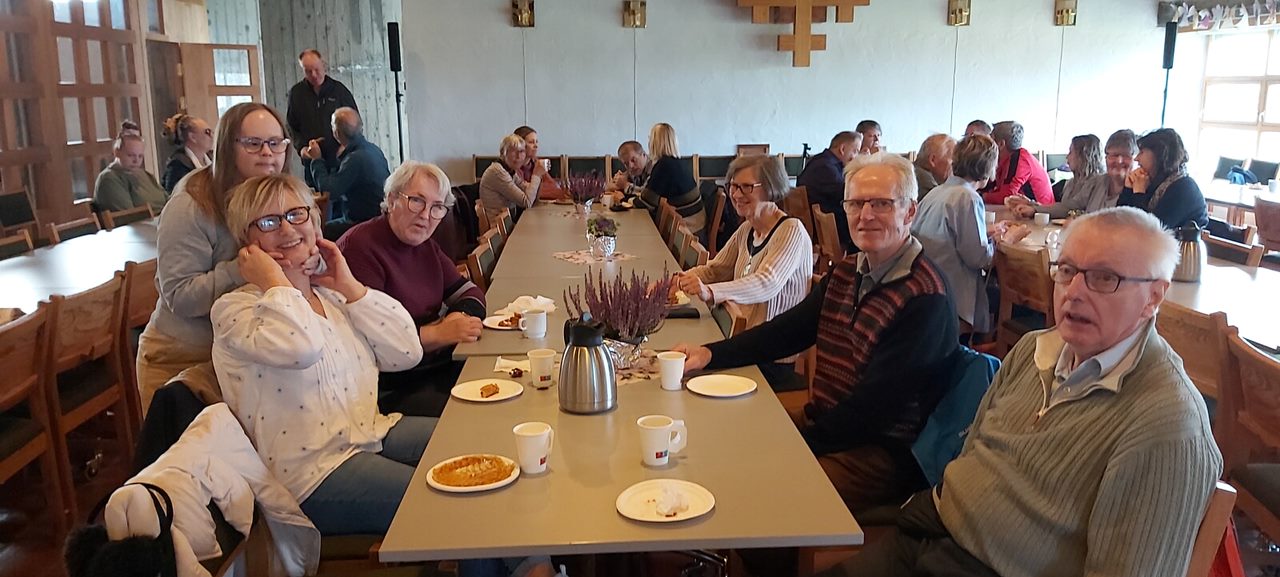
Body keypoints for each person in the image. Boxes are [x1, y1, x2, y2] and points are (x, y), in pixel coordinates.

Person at [822, 207, 1221, 577]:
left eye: (1103, 278)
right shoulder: (1034, 349)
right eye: (1066, 271)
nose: (1074, 292)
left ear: (1154, 296)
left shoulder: (1167, 424)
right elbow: (974, 450)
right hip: (930, 532)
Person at [673, 153, 959, 515]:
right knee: (723, 439)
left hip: (883, 455)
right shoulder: (847, 273)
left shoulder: (924, 297)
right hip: (828, 425)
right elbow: (787, 332)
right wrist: (710, 354)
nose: (865, 215)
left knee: (759, 484)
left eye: (882, 204)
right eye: (856, 203)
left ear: (910, 212)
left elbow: (874, 413)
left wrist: (794, 442)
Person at [213, 173, 430, 537]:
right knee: (448, 497)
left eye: (297, 214)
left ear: (315, 222)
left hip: (370, 434)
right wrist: (276, 282)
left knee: (473, 446)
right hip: (311, 476)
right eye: (268, 222)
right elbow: (302, 346)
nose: (287, 229)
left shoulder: (331, 296)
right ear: (246, 243)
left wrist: (349, 286)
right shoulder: (235, 311)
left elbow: (407, 351)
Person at [136, 102, 298, 414]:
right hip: (182, 359)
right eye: (253, 144)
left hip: (245, 355)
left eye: (276, 143)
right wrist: (243, 269)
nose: (268, 153)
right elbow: (179, 297)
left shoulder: (275, 195)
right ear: (227, 147)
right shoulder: (191, 204)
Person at [338, 161, 486, 417]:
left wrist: (458, 317)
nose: (426, 216)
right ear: (392, 199)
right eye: (416, 201)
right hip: (391, 387)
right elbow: (372, 346)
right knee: (477, 416)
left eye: (437, 207)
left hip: (433, 366)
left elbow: (471, 293)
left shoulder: (424, 245)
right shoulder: (359, 248)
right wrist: (436, 334)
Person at [672, 154, 813, 391]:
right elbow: (716, 269)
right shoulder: (748, 228)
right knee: (680, 360)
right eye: (733, 186)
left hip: (773, 357)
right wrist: (677, 281)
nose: (736, 195)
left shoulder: (791, 231)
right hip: (743, 342)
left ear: (771, 188)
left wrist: (710, 292)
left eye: (746, 187)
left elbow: (766, 283)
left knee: (689, 376)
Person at [912, 135, 1030, 335]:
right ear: (989, 166)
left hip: (926, 288)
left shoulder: (937, 192)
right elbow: (979, 259)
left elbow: (949, 237)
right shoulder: (968, 197)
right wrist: (1008, 239)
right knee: (1013, 298)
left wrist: (988, 232)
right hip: (953, 298)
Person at [301, 107, 390, 240]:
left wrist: (316, 159)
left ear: (336, 133)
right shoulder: (373, 149)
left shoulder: (355, 159)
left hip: (365, 222)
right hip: (380, 217)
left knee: (319, 230)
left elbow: (329, 190)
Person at [286, 49, 358, 190]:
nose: (313, 75)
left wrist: (346, 145)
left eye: (316, 69)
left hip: (339, 158)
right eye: (308, 71)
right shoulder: (296, 93)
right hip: (312, 160)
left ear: (323, 65)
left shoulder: (339, 91)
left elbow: (355, 122)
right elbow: (291, 126)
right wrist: (301, 148)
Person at [1118, 128, 1208, 230]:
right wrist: (1128, 188)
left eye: (1141, 152)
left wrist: (1139, 193)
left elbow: (1149, 234)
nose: (1136, 158)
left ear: (1159, 155)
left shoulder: (1184, 188)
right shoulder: (1152, 181)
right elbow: (1118, 221)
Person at [1009, 134, 1111, 219]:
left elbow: (1068, 209)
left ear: (1083, 156)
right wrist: (1031, 204)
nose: (1067, 157)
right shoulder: (1071, 183)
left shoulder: (1096, 182)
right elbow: (1062, 208)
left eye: (1071, 152)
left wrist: (1035, 209)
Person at [626, 123, 703, 233]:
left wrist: (623, 200)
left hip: (689, 231)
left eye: (650, 139)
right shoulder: (677, 163)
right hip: (696, 224)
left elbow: (645, 204)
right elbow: (649, 196)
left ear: (655, 142)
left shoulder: (664, 166)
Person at [797, 131, 861, 250]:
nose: (856, 157)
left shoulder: (821, 161)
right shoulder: (826, 167)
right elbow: (848, 195)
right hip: (827, 229)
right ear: (842, 149)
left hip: (821, 224)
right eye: (855, 151)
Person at [93, 120, 170, 214]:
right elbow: (130, 216)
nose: (136, 161)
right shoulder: (109, 179)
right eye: (131, 155)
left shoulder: (145, 175)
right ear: (117, 152)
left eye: (140, 156)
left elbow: (168, 200)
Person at [982, 121, 1054, 206]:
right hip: (1027, 211)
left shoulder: (1020, 159)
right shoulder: (1005, 160)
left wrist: (982, 196)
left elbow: (1008, 196)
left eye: (991, 140)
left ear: (1001, 144)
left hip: (1042, 214)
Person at [479, 134, 543, 226]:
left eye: (522, 151)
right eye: (514, 151)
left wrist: (540, 175)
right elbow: (526, 202)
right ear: (503, 153)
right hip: (499, 231)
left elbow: (530, 193)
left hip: (509, 224)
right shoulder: (497, 172)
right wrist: (536, 175)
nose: (518, 156)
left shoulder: (509, 170)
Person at [160, 113, 214, 193]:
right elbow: (174, 199)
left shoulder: (213, 158)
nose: (212, 136)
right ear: (192, 137)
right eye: (207, 132)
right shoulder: (177, 166)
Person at [513, 126, 563, 201]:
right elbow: (523, 195)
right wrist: (536, 185)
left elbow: (556, 190)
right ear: (520, 145)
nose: (536, 146)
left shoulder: (536, 163)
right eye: (531, 142)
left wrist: (532, 187)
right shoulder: (513, 166)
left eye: (536, 142)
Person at [912, 133, 957, 200]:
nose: (955, 166)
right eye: (953, 161)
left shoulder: (912, 171)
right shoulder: (928, 188)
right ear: (932, 160)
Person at [1103, 129, 1137, 204]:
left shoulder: (1140, 191)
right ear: (1106, 158)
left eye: (1126, 155)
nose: (1119, 161)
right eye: (1114, 155)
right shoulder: (1095, 183)